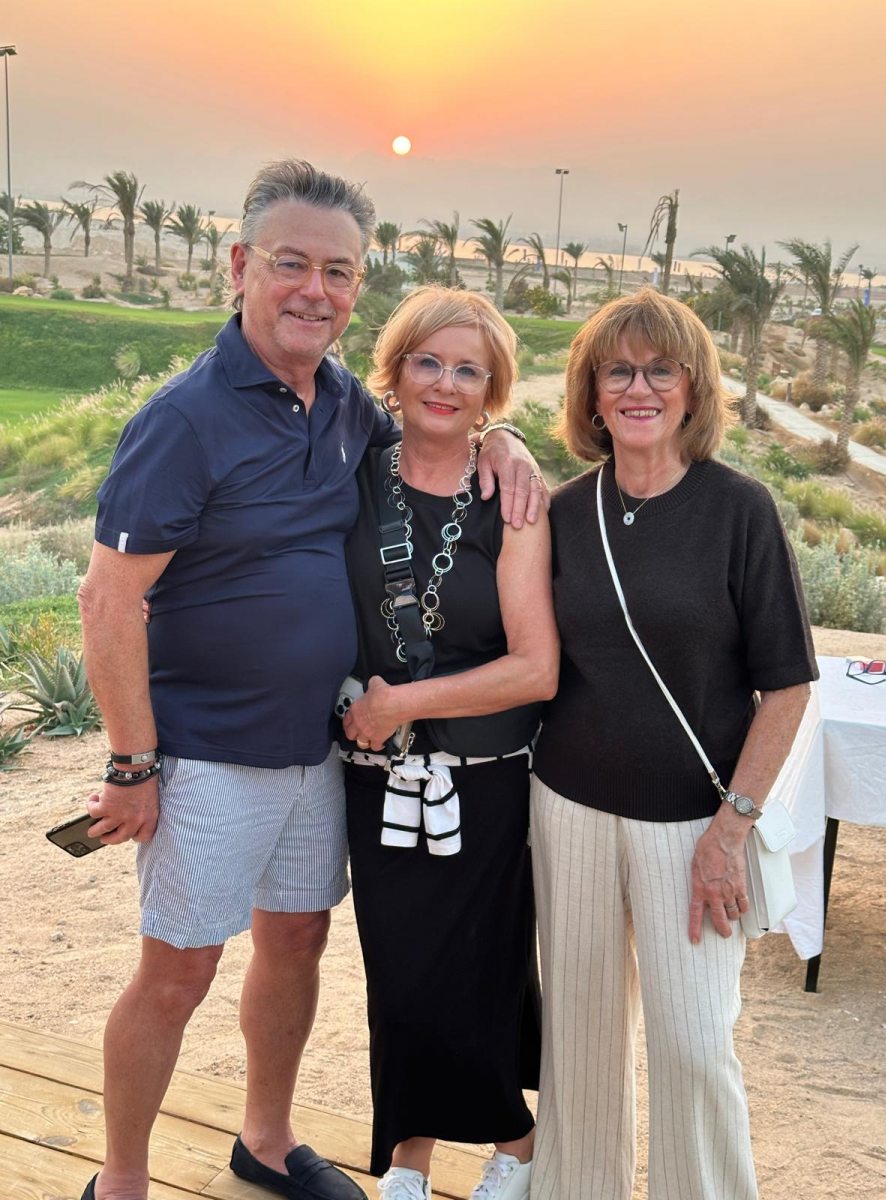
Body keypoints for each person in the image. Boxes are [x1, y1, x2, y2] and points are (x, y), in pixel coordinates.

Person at [76, 160, 545, 1200]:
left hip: (326, 752)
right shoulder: (185, 419)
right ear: (239, 266)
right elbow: (107, 601)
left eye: (338, 272)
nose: (314, 290)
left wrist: (505, 438)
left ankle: (268, 1138)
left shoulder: (342, 405)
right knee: (178, 970)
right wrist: (132, 762)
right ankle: (121, 1181)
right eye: (291, 263)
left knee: (296, 941)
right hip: (208, 753)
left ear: (356, 287)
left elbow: (437, 428)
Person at [529, 288, 818, 1200]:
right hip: (568, 807)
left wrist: (731, 830)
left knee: (694, 1047)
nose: (639, 388)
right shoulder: (562, 513)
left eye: (662, 370)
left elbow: (788, 687)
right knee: (578, 1042)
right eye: (618, 371)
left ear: (694, 389)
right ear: (592, 392)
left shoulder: (740, 511)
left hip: (695, 827)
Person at [338, 286, 559, 1200]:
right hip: (375, 775)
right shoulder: (352, 471)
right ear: (394, 371)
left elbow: (536, 668)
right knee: (398, 974)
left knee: (477, 969)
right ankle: (409, 1159)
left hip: (486, 781)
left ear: (492, 391)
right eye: (427, 361)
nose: (445, 383)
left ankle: (517, 1141)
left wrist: (403, 701)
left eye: (470, 370)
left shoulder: (513, 497)